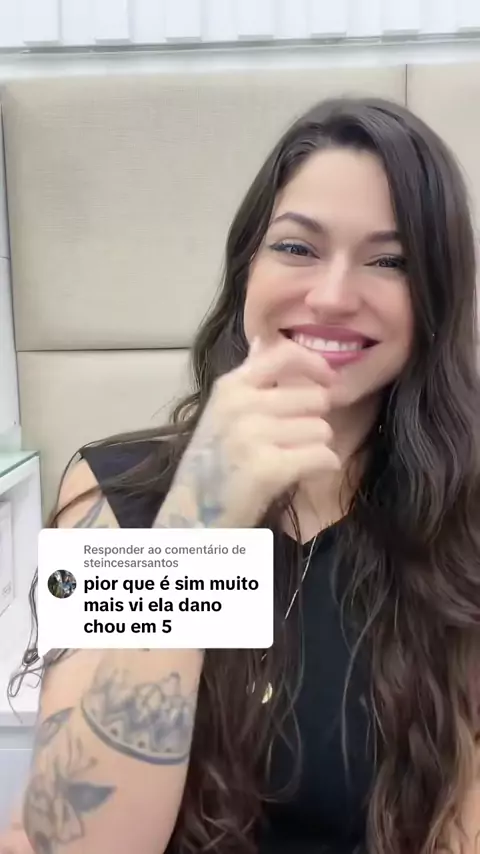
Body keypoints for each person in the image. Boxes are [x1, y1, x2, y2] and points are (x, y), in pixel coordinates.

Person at [3, 96, 480, 854]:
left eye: (389, 261)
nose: (332, 295)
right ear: (247, 267)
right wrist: (200, 523)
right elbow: (79, 841)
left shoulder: (461, 517)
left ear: (436, 298)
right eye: (297, 247)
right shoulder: (117, 490)